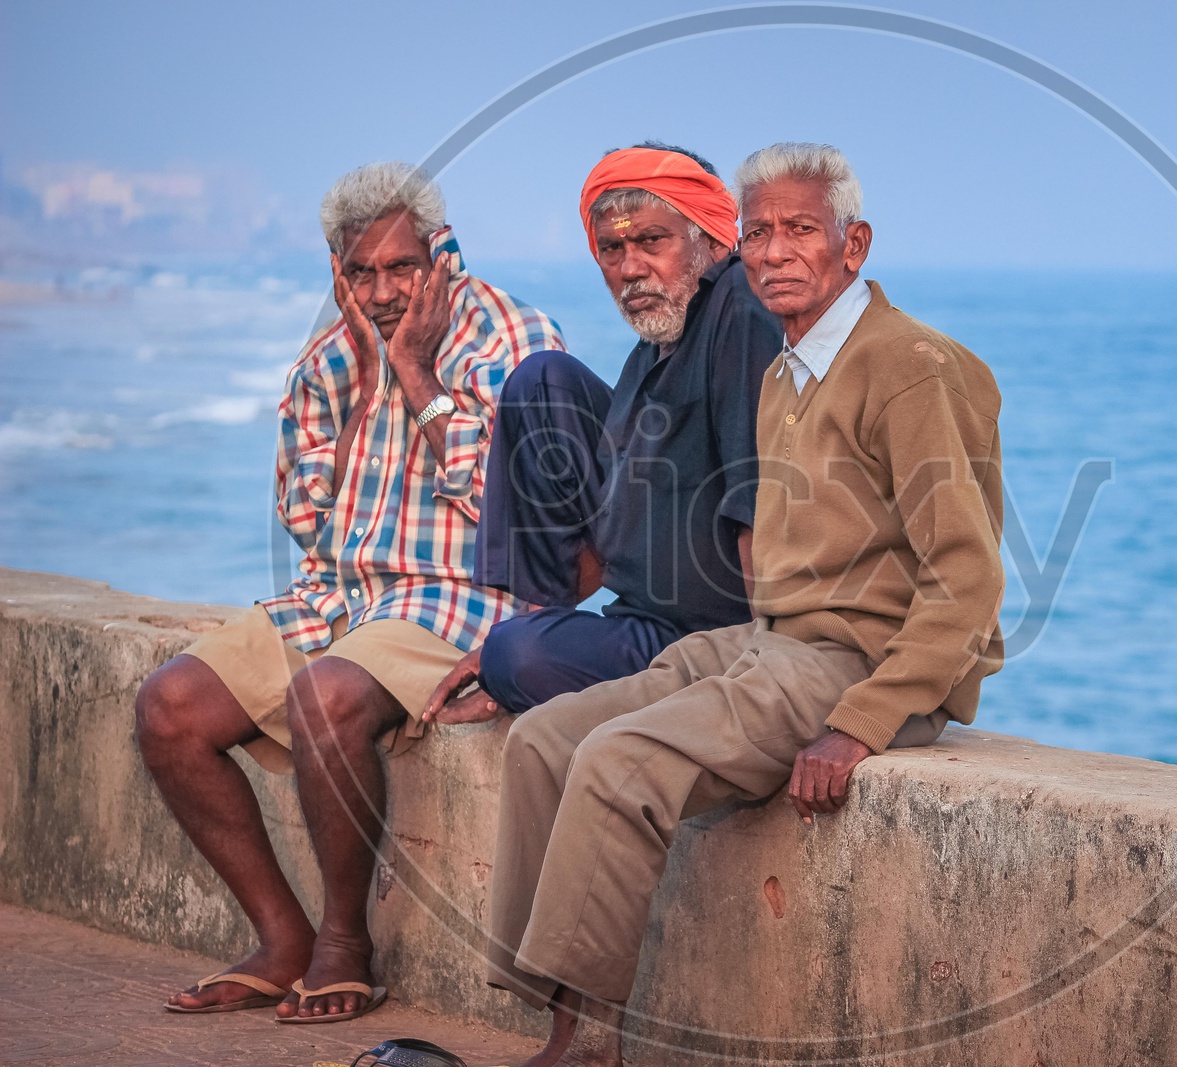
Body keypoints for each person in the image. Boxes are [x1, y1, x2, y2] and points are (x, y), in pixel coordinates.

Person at [485, 142, 1006, 1067]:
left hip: (853, 667)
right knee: (543, 741)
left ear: (855, 245)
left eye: (800, 229)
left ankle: (589, 1045)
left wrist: (861, 723)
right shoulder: (787, 372)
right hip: (764, 644)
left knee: (617, 759)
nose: (772, 252)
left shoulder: (912, 365)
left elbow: (968, 578)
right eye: (759, 230)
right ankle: (554, 1018)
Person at [134, 162, 564, 1023]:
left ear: (442, 256)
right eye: (359, 272)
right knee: (169, 708)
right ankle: (281, 936)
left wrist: (415, 375)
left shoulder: (512, 339)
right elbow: (303, 514)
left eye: (400, 267)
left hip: (452, 603)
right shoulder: (332, 356)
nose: (381, 291)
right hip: (338, 600)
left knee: (321, 697)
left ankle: (343, 943)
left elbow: (510, 518)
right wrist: (366, 376)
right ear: (337, 270)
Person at [423, 143, 780, 725]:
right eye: (612, 248)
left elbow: (758, 500)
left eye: (650, 241)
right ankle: (537, 625)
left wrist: (774, 668)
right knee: (544, 381)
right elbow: (619, 512)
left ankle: (529, 645)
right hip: (645, 614)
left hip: (719, 639)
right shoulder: (657, 341)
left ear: (712, 238)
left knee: (515, 655)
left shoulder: (738, 306)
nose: (630, 268)